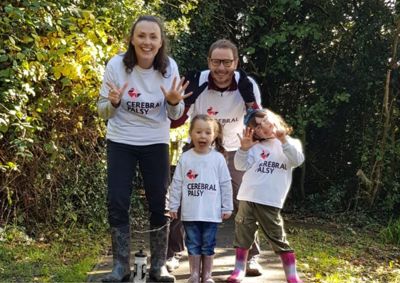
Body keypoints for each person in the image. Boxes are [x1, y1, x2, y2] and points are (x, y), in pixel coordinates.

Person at [97, 15, 191, 282]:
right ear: (131, 39)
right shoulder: (116, 65)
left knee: (159, 201)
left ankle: (158, 265)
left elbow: (176, 113)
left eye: (153, 37)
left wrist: (174, 102)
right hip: (121, 140)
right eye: (141, 36)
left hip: (155, 141)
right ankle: (120, 267)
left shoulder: (168, 67)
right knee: (117, 200)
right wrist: (113, 103)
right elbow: (103, 112)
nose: (147, 42)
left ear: (161, 41)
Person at [167, 39, 263, 276]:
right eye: (216, 62)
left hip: (235, 148)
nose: (221, 68)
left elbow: (259, 124)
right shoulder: (196, 80)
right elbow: (174, 121)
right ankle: (173, 253)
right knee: (182, 198)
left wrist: (250, 102)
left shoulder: (247, 83)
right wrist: (185, 100)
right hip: (200, 145)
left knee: (246, 202)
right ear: (208, 61)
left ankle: (251, 256)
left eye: (227, 62)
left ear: (236, 62)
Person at [227, 108, 304, 283]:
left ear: (276, 120)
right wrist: (244, 149)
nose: (265, 127)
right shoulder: (255, 147)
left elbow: (297, 160)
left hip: (270, 200)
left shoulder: (290, 144)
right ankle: (239, 269)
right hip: (248, 196)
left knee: (277, 236)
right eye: (259, 127)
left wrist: (283, 139)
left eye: (266, 122)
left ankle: (291, 274)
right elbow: (240, 165)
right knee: (243, 233)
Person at [169, 114, 233, 283]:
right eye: (198, 132)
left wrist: (227, 207)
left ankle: (207, 276)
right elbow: (176, 183)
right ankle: (194, 274)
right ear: (191, 134)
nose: (202, 136)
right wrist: (173, 205)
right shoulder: (186, 157)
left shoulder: (218, 159)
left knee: (208, 244)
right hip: (190, 213)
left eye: (207, 132)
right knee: (193, 244)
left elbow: (226, 184)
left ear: (214, 136)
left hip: (211, 214)